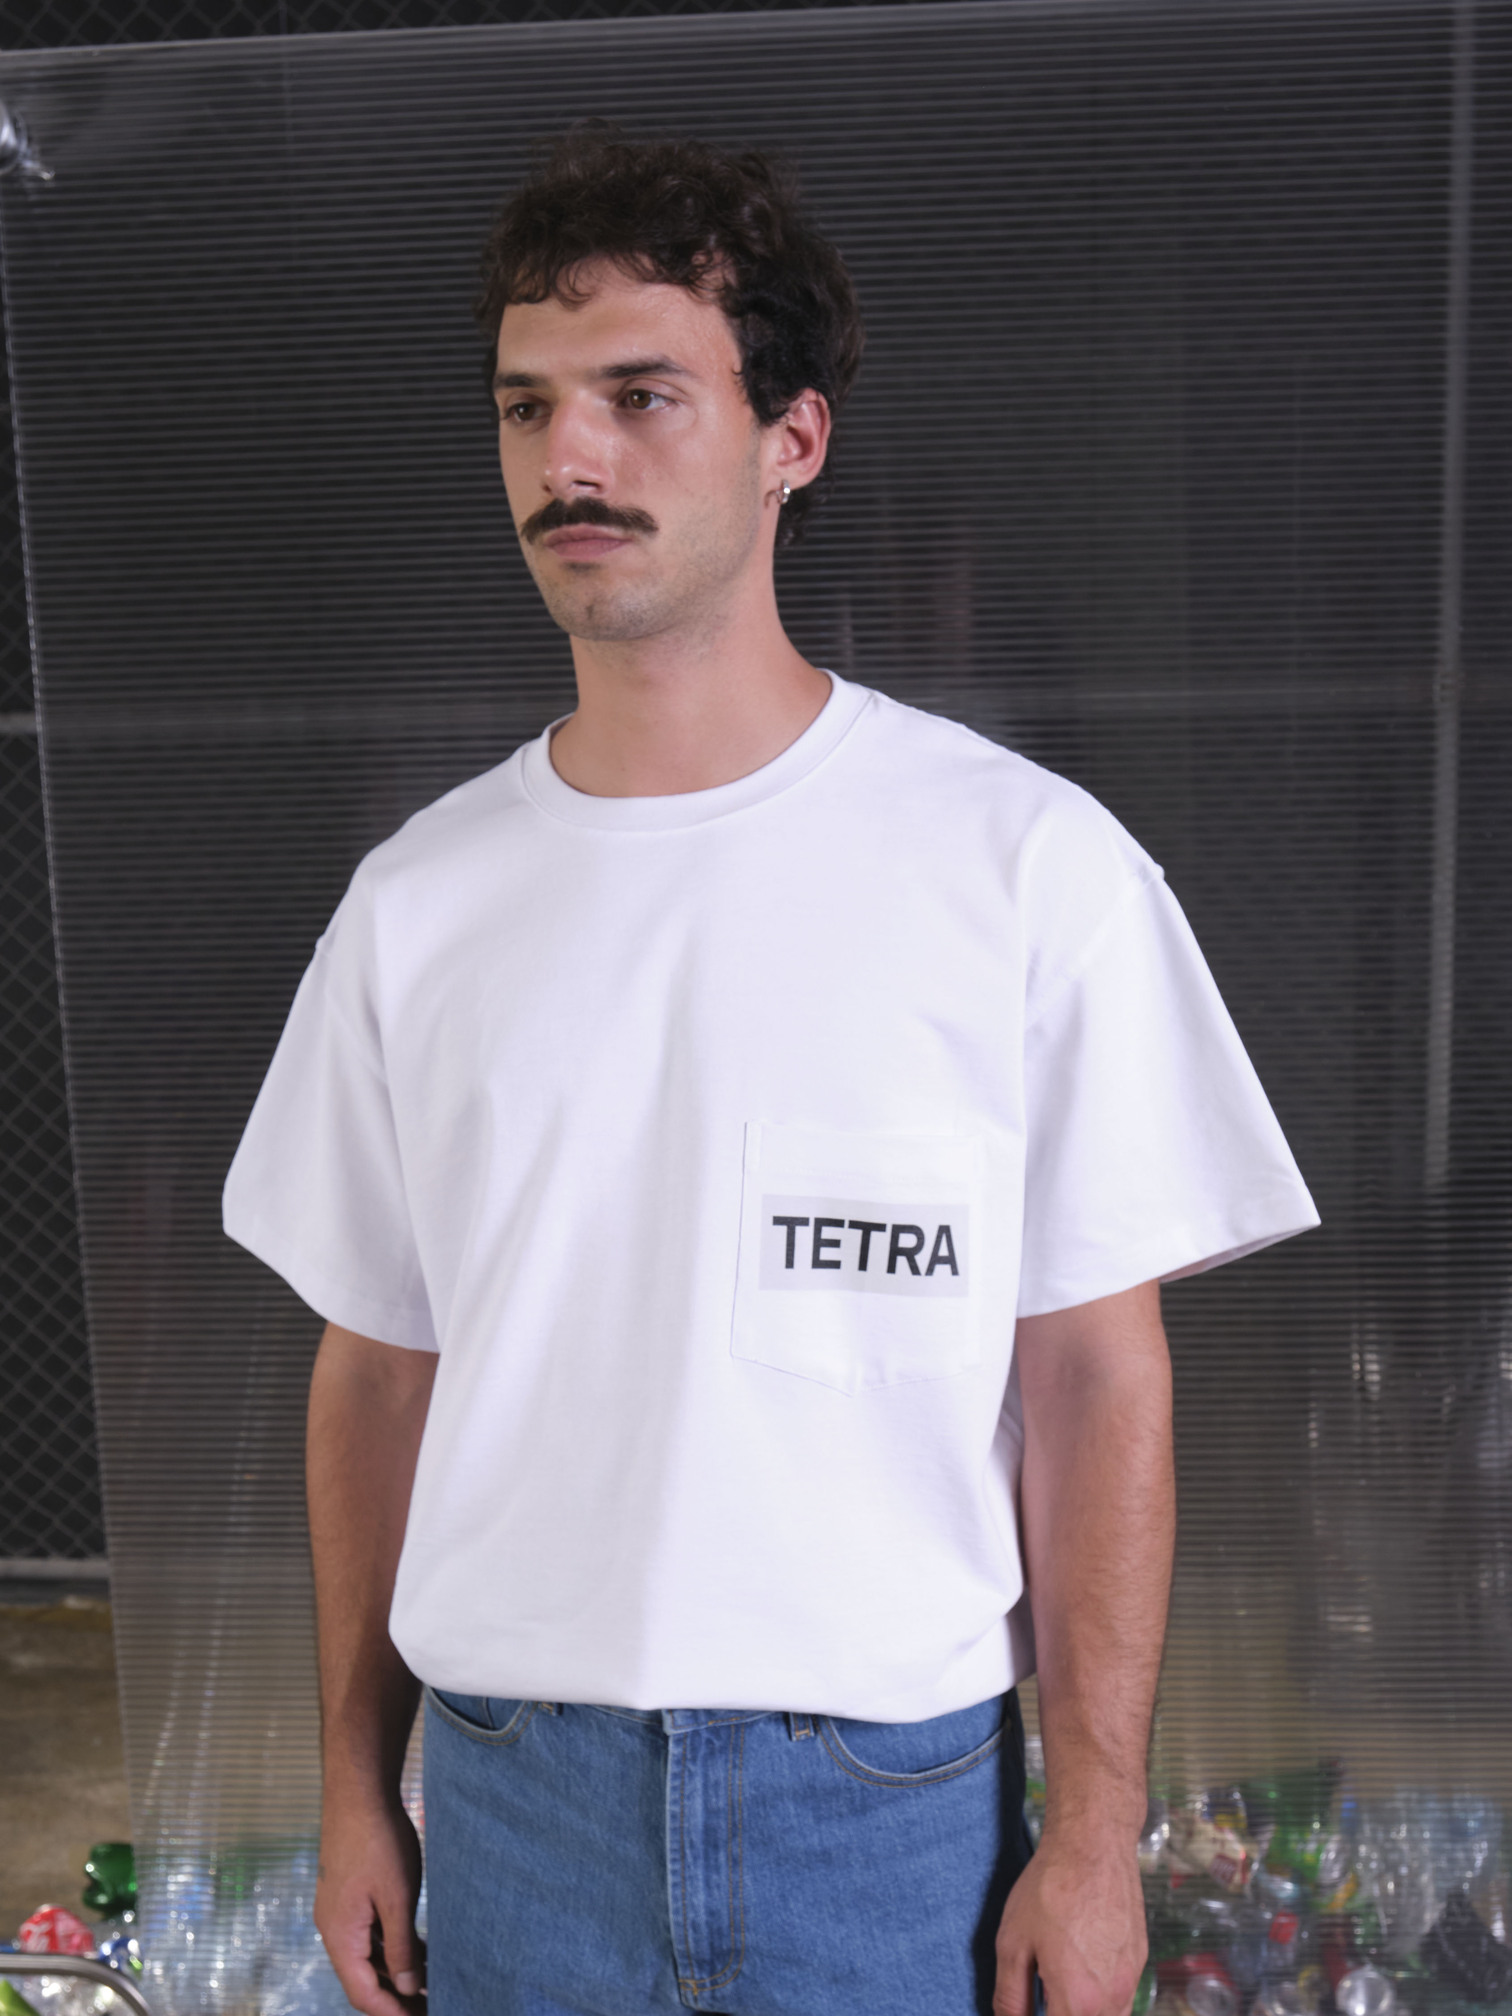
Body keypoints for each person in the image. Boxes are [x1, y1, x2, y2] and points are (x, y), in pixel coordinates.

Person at [223, 126, 1318, 2016]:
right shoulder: (417, 906)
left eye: (642, 396)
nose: (570, 459)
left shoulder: (1023, 869)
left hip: (890, 1823)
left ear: (792, 437)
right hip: (514, 1803)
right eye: (527, 406)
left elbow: (1095, 1375)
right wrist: (350, 1786)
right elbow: (377, 1372)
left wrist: (1092, 1834)